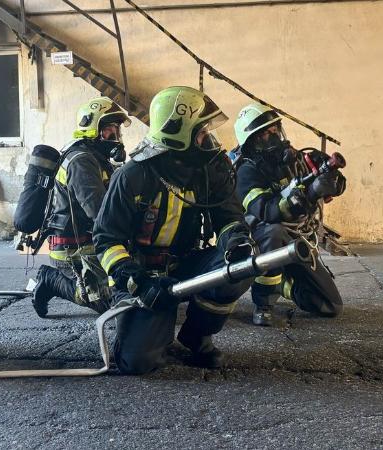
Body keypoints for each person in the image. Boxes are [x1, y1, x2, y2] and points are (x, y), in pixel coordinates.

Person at [93, 86, 254, 374]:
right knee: (138, 364)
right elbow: (106, 240)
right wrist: (138, 282)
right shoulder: (132, 175)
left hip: (186, 265)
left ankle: (196, 335)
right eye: (202, 132)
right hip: (143, 276)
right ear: (178, 133)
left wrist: (236, 240)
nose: (209, 139)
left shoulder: (209, 171)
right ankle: (152, 325)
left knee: (240, 266)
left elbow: (228, 217)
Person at [232, 103, 346, 325]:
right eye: (266, 133)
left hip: (297, 238)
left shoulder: (295, 160)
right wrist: (311, 192)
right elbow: (269, 211)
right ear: (252, 142)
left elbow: (340, 184)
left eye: (275, 129)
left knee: (330, 306)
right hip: (262, 240)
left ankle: (283, 281)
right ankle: (263, 303)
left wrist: (331, 181)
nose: (274, 136)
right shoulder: (246, 172)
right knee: (273, 231)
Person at [32, 97, 131, 317]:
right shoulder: (82, 161)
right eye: (108, 131)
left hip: (89, 241)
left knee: (127, 291)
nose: (115, 137)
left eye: (116, 131)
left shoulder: (95, 157)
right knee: (109, 304)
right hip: (73, 248)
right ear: (93, 130)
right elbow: (97, 211)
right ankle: (50, 280)